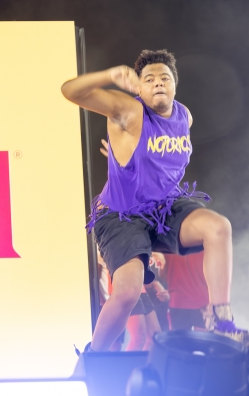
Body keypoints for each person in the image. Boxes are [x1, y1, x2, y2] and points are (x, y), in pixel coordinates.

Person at [62, 49, 247, 352]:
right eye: (149, 79)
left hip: (163, 208)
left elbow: (160, 162)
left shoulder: (184, 116)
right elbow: (70, 91)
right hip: (122, 215)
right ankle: (95, 358)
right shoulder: (128, 110)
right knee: (127, 293)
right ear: (138, 87)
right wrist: (110, 76)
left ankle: (220, 321)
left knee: (219, 227)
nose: (158, 83)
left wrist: (126, 160)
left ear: (175, 84)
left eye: (165, 78)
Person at [165, 252, 208, 331]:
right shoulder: (206, 244)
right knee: (203, 341)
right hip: (202, 301)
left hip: (177, 302)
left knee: (180, 341)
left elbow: (163, 274)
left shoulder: (168, 245)